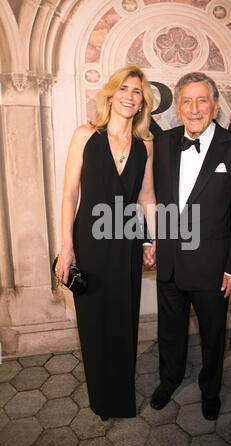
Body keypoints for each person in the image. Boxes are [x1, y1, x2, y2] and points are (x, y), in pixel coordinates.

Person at [151, 72, 231, 420]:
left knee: (213, 335)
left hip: (213, 266)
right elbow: (156, 200)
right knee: (169, 330)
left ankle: (210, 389)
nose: (194, 108)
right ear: (178, 107)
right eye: (187, 101)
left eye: (202, 100)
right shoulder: (162, 143)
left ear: (215, 106)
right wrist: (152, 240)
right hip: (169, 260)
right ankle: (169, 380)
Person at [55, 66, 156, 420]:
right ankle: (102, 399)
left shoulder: (146, 146)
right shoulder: (85, 135)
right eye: (124, 89)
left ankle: (121, 398)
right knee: (94, 324)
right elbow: (69, 195)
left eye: (137, 92)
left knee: (123, 320)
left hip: (126, 244)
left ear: (143, 102)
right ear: (112, 94)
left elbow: (147, 197)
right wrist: (66, 248)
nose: (130, 96)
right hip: (89, 244)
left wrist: (151, 239)